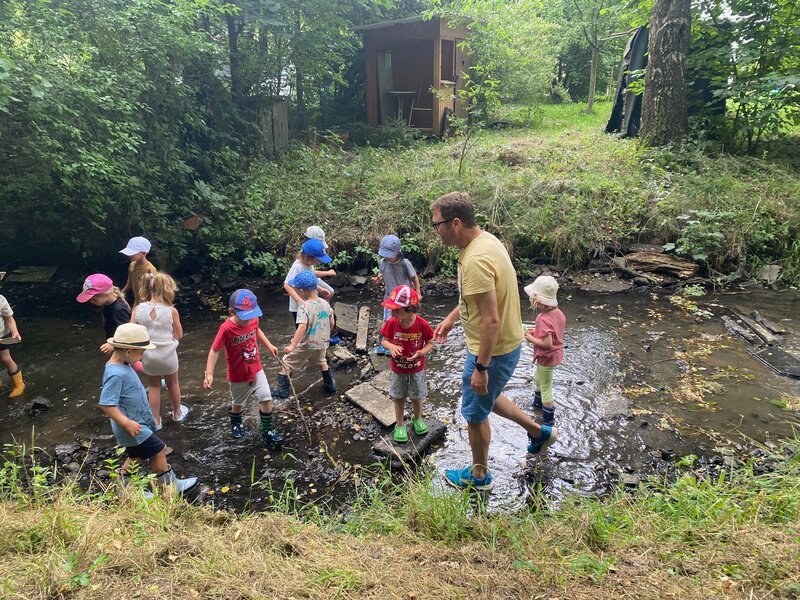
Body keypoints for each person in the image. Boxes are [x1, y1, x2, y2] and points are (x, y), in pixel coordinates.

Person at [431, 191, 557, 491]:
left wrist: (481, 367)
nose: (435, 230)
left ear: (456, 223)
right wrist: (452, 317)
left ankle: (479, 476)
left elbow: (490, 321)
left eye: (437, 224)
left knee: (474, 414)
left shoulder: (475, 259)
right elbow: (484, 298)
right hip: (505, 344)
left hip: (491, 351)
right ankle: (538, 432)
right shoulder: (486, 241)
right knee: (487, 396)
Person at [99, 323, 197, 493]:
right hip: (132, 427)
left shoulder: (123, 364)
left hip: (136, 425)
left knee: (135, 456)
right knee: (159, 449)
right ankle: (170, 487)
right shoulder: (116, 374)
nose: (142, 356)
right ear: (128, 351)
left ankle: (125, 488)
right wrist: (127, 423)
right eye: (141, 353)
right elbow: (106, 404)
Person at [203, 289, 283, 445]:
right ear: (232, 312)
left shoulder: (253, 320)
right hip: (238, 374)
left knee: (266, 397)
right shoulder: (226, 328)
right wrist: (209, 374)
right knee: (238, 403)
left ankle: (267, 430)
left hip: (256, 368)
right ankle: (236, 422)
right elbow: (214, 350)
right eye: (245, 317)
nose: (249, 320)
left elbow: (257, 330)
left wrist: (269, 345)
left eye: (251, 315)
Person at [132, 272, 188, 430]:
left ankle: (156, 420)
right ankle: (177, 413)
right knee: (173, 384)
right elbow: (179, 335)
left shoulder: (138, 309)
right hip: (168, 355)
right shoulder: (171, 311)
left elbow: (132, 331)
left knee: (154, 386)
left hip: (149, 355)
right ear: (166, 289)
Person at [380, 285, 434, 443]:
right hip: (398, 369)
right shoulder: (392, 323)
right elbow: (384, 341)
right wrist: (391, 346)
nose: (392, 312)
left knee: (417, 397)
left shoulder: (422, 324)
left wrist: (422, 352)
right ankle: (400, 424)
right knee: (399, 397)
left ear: (410, 309)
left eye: (396, 309)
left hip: (417, 369)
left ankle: (417, 418)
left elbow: (430, 342)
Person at [273, 271, 337, 398]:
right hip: (322, 342)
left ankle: (283, 391)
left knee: (287, 362)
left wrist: (292, 346)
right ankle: (330, 386)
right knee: (321, 361)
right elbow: (331, 322)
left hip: (307, 344)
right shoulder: (325, 303)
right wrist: (325, 334)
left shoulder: (304, 307)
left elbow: (302, 327)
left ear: (301, 290)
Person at [523, 276, 566, 427]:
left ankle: (548, 420)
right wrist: (536, 332)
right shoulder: (558, 313)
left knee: (546, 387)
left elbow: (547, 344)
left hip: (547, 356)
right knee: (538, 378)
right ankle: (537, 404)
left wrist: (531, 338)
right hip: (555, 354)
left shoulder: (542, 318)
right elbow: (553, 333)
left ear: (539, 301)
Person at [372, 234, 421, 356]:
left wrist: (418, 293)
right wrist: (378, 278)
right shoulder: (383, 262)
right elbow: (382, 274)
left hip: (405, 299)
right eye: (384, 255)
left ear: (398, 252)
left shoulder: (405, 263)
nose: (386, 257)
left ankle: (402, 342)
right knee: (387, 321)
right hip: (390, 297)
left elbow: (414, 277)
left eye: (389, 255)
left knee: (404, 319)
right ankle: (383, 342)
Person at [283, 239, 335, 328]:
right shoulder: (297, 267)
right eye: (316, 260)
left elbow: (309, 280)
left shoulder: (309, 265)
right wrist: (299, 300)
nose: (318, 262)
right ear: (308, 257)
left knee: (311, 326)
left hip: (308, 302)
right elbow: (286, 285)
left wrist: (320, 289)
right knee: (302, 327)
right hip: (298, 306)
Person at [76, 274, 133, 354]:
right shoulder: (107, 304)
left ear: (105, 294)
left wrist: (113, 344)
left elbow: (128, 332)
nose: (91, 301)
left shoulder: (118, 309)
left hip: (124, 349)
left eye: (94, 299)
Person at [0, 294, 25, 397]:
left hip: (2, 335)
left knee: (6, 359)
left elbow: (9, 318)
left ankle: (18, 384)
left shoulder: (1, 300)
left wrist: (15, 332)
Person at [120, 236, 157, 304]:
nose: (129, 255)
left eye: (132, 253)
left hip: (147, 303)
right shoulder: (132, 265)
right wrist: (122, 293)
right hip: (137, 301)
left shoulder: (150, 269)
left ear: (144, 253)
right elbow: (129, 283)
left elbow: (155, 290)